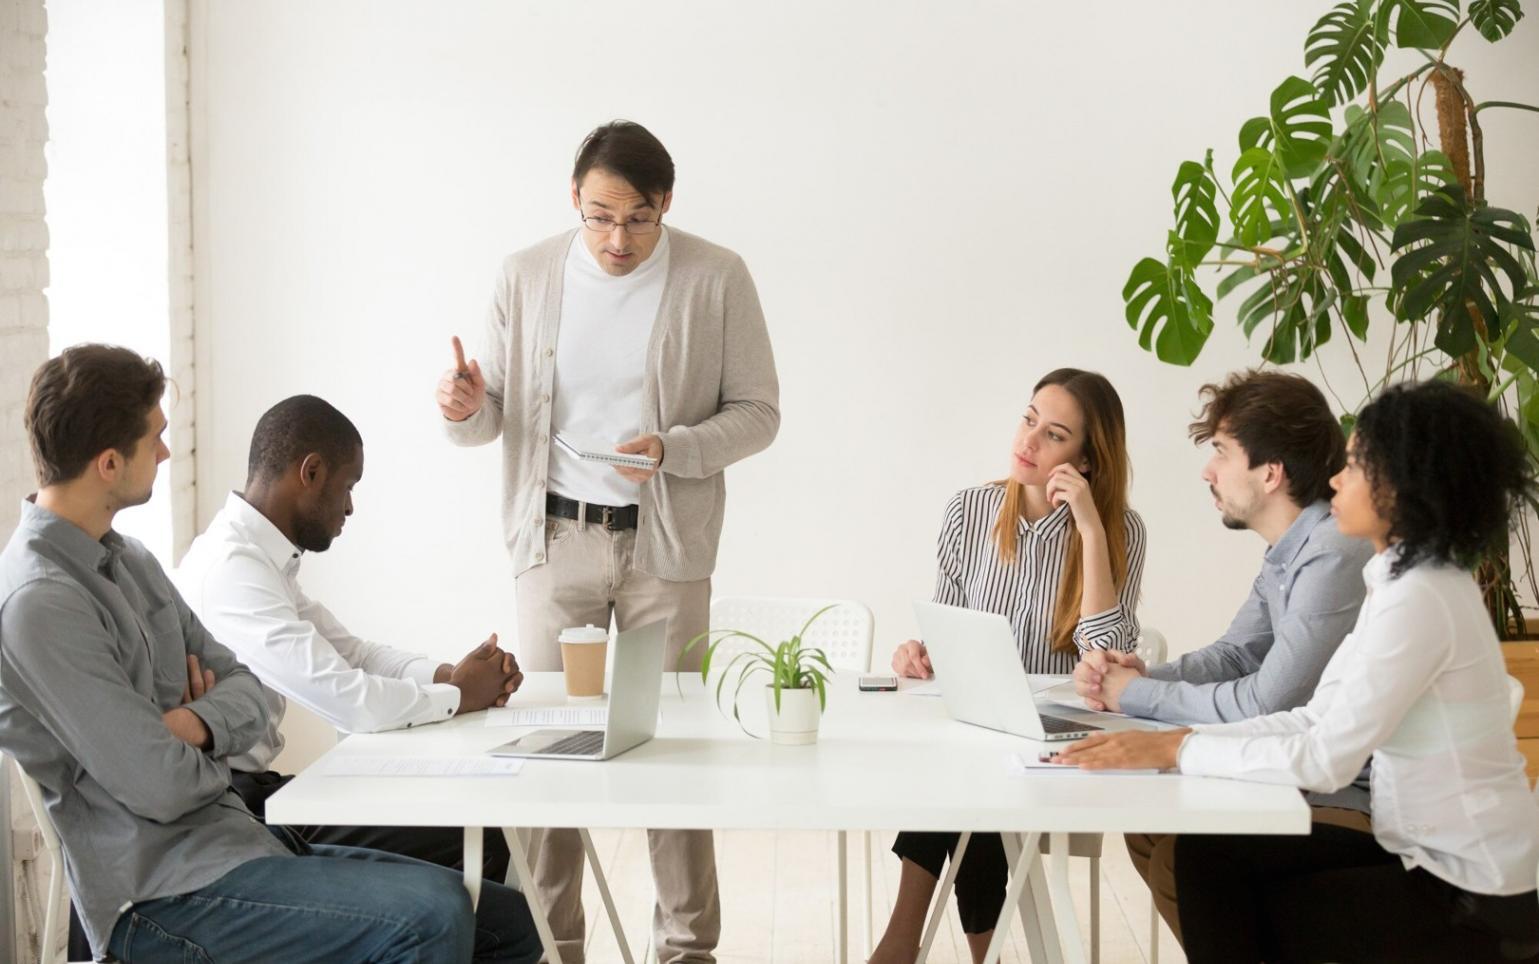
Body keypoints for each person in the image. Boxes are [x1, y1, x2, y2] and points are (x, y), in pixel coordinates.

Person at [0, 345, 540, 963]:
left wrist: (193, 724)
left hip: (235, 841)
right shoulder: (39, 602)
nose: (168, 452)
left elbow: (249, 691)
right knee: (433, 918)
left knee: (503, 920)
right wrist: (213, 746)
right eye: (157, 439)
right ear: (108, 461)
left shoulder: (132, 561)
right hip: (158, 894)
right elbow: (158, 786)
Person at [436, 120, 779, 963]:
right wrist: (463, 407)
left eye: (636, 218)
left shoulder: (716, 276)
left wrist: (674, 449)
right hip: (554, 544)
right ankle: (553, 949)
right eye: (597, 217)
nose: (616, 239)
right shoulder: (525, 276)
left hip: (666, 547)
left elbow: (759, 413)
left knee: (675, 748)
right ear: (573, 202)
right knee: (547, 753)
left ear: (666, 204)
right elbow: (492, 419)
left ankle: (686, 949)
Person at [1056, 379, 1539, 963]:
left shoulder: (1421, 597)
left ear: (1399, 486)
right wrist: (1182, 740)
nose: (1335, 478)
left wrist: (1175, 751)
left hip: (1477, 899)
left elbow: (1324, 756)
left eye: (1356, 465)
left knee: (1237, 897)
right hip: (1422, 857)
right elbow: (1312, 717)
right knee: (1208, 861)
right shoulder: (1398, 581)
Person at [1069, 370, 1375, 939]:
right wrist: (1143, 674)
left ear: (1270, 473)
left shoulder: (1332, 553)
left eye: (1222, 453)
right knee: (1149, 830)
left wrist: (1135, 694)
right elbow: (1237, 653)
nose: (1208, 471)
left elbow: (1270, 697)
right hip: (1303, 770)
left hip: (1352, 795)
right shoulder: (1290, 550)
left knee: (1181, 856)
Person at [175, 394, 522, 879]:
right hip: (230, 809)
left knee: (469, 821)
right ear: (311, 473)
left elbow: (354, 655)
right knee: (472, 833)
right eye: (348, 485)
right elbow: (346, 699)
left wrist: (453, 675)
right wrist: (460, 694)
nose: (351, 506)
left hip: (253, 790)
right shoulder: (233, 569)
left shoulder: (258, 557)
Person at [870, 368, 1147, 964]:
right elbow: (947, 631)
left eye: (1054, 434)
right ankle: (969, 953)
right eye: (1028, 420)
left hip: (1063, 742)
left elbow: (1105, 655)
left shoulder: (1120, 529)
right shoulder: (969, 511)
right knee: (972, 773)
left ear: (1087, 460)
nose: (1028, 441)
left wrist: (1090, 529)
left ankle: (900, 942)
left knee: (980, 778)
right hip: (974, 725)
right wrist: (917, 653)